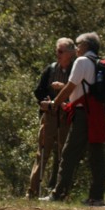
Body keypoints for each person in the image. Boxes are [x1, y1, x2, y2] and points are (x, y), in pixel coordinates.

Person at [40, 32, 105, 205]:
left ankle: (58, 194)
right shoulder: (97, 62)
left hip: (83, 113)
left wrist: (54, 103)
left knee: (69, 153)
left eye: (78, 44)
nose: (76, 48)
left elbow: (70, 87)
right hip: (96, 112)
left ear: (85, 45)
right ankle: (97, 196)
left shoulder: (82, 61)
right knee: (96, 153)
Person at [27, 38, 75, 198]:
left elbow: (78, 92)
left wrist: (64, 99)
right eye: (57, 51)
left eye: (61, 51)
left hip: (67, 116)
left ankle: (61, 192)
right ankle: (32, 192)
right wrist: (44, 103)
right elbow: (39, 91)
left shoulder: (75, 69)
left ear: (70, 53)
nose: (57, 54)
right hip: (49, 116)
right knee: (42, 152)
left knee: (65, 154)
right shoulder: (51, 69)